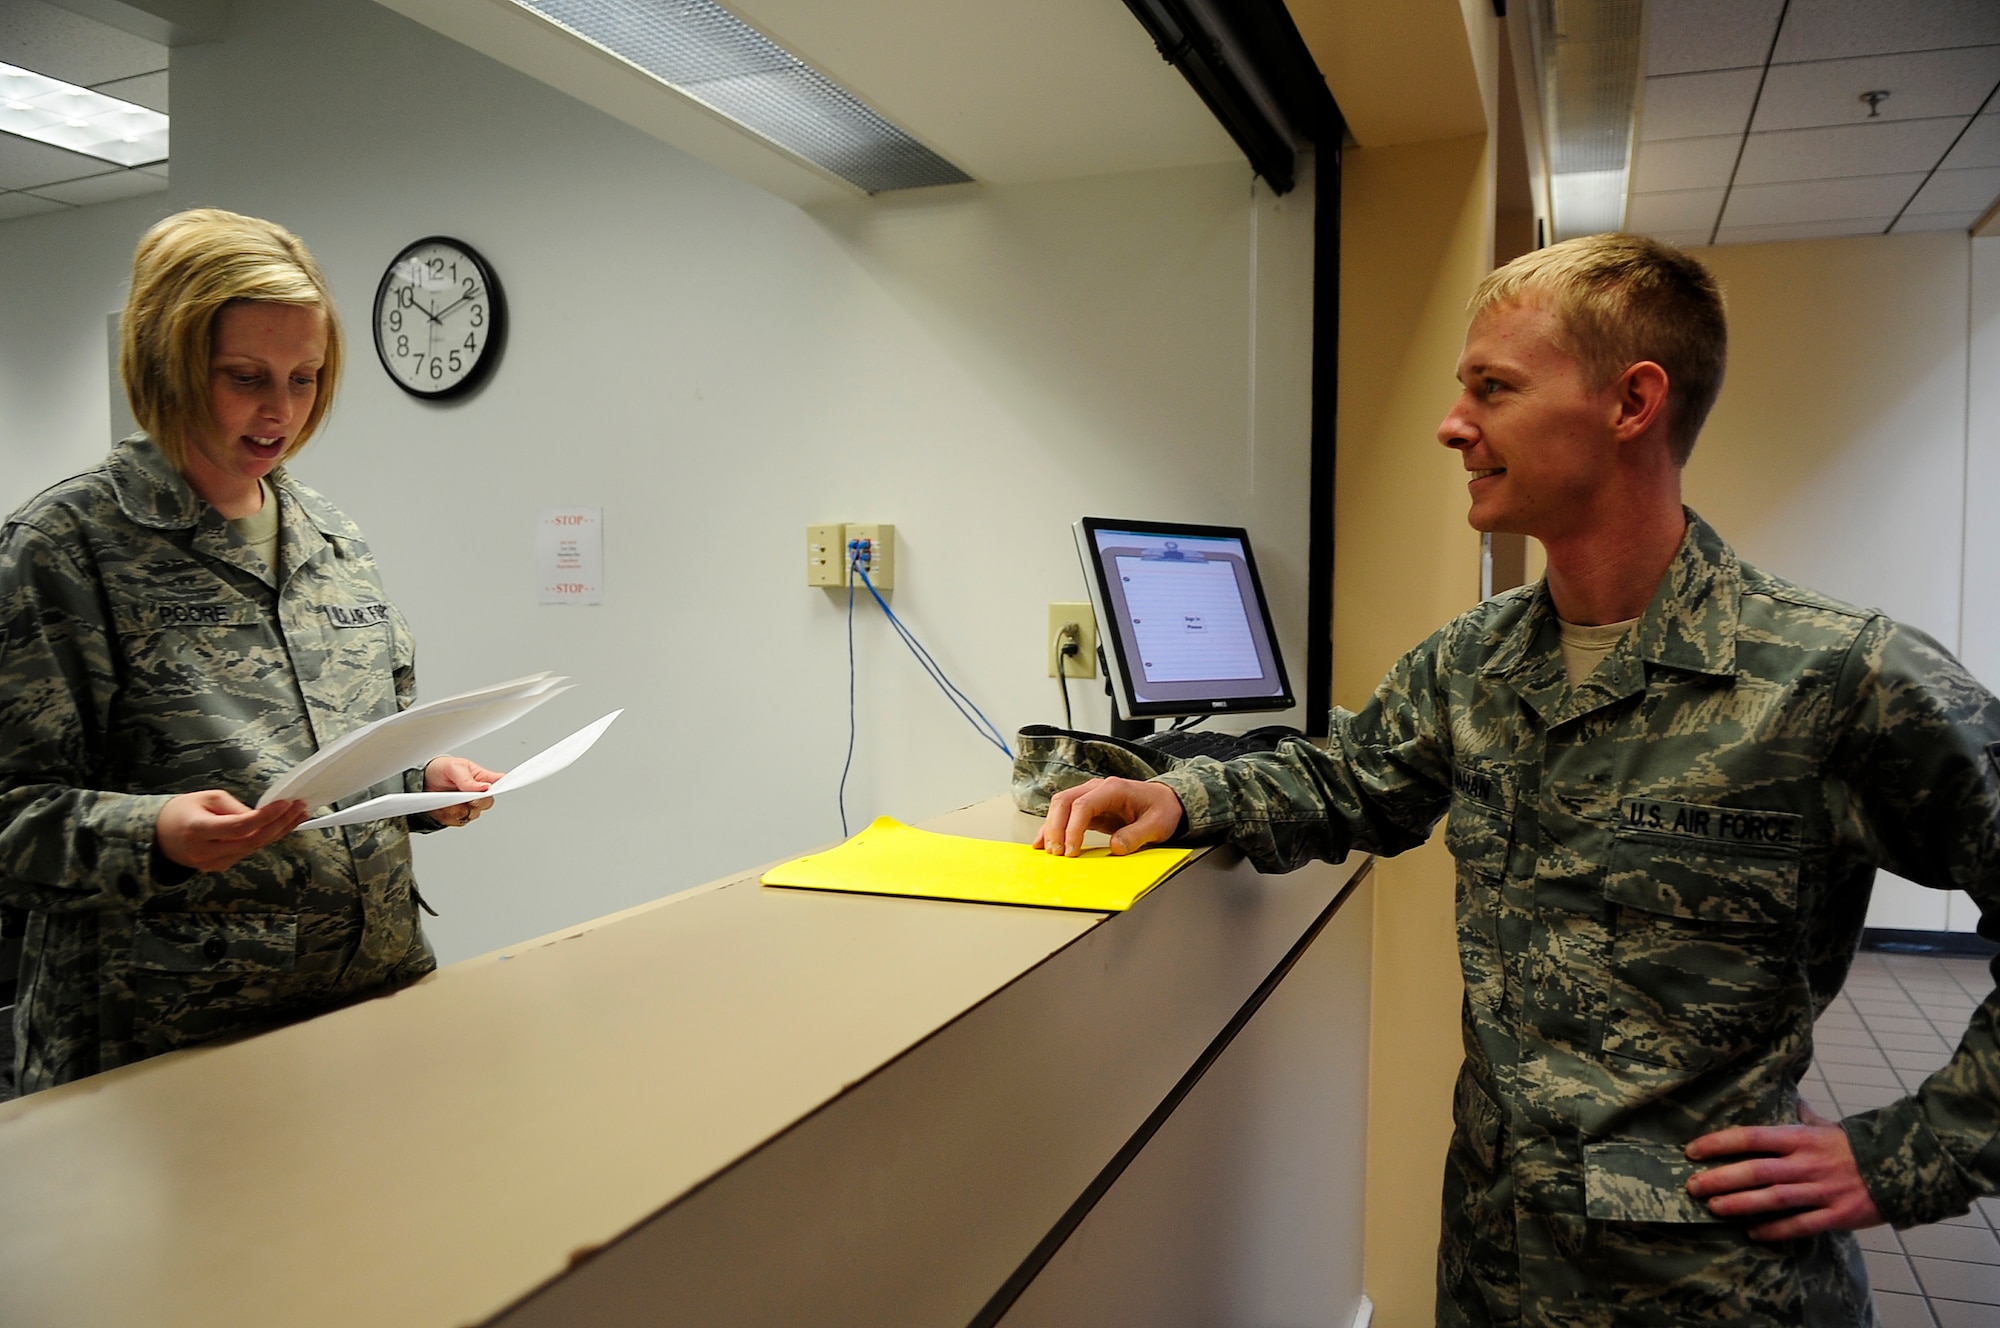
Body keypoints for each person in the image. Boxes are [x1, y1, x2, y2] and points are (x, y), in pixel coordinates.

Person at [1036, 233, 2000, 1325]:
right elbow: (1352, 777)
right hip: (1493, 1266)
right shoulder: (1475, 662)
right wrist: (1186, 794)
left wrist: (1905, 1153)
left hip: (1710, 1290)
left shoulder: (1837, 675)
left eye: (1491, 388)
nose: (1453, 424)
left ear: (1632, 402)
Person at [0, 208, 501, 1096]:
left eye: (305, 379)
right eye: (245, 378)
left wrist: (419, 791)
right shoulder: (64, 546)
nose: (282, 412)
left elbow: (341, 768)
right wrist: (153, 832)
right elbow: (12, 816)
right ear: (169, 364)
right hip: (168, 1058)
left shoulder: (330, 537)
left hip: (367, 1018)